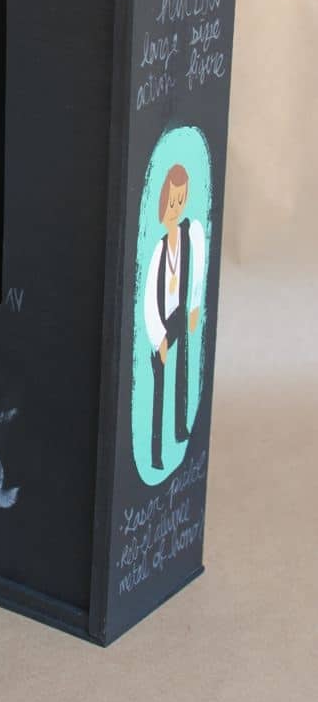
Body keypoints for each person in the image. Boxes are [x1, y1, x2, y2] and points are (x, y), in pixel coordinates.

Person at [142, 162, 206, 471]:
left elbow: (198, 266)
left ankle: (180, 427)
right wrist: (158, 338)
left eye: (181, 200)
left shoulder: (188, 234)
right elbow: (148, 301)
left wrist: (194, 306)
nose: (176, 207)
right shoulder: (158, 249)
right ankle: (155, 453)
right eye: (172, 200)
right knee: (159, 382)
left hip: (180, 312)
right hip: (162, 322)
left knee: (184, 368)